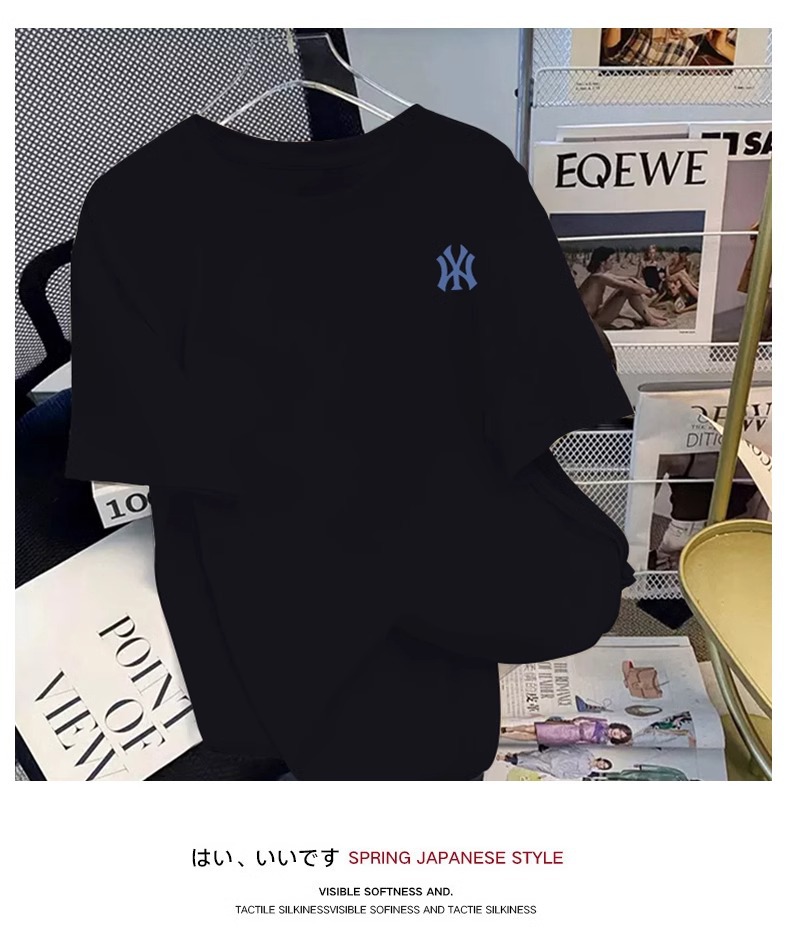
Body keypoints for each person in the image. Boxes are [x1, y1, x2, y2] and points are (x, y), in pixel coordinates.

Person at [577, 247, 668, 328]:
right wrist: (648, 291)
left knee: (628, 285)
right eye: (611, 260)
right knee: (627, 290)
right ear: (603, 263)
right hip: (593, 321)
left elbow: (629, 279)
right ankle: (650, 319)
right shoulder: (599, 277)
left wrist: (646, 288)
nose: (613, 262)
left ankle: (649, 315)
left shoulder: (600, 275)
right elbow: (629, 287)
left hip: (597, 313)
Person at [600, 29, 735, 68]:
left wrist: (722, 46)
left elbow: (746, 60)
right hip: (622, 78)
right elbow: (611, 51)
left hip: (671, 90)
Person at [500, 717, 633, 746]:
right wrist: (577, 721)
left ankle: (504, 735)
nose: (617, 734)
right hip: (568, 727)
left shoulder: (602, 741)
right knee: (533, 728)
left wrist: (567, 742)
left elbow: (582, 743)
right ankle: (510, 729)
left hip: (568, 738)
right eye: (620, 731)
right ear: (618, 727)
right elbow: (586, 718)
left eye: (620, 736)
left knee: (532, 737)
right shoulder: (603, 722)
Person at [497, 748, 613, 780]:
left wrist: (556, 773)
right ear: (602, 760)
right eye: (603, 763)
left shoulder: (586, 771)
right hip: (554, 755)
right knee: (532, 755)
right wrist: (555, 749)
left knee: (531, 763)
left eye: (603, 767)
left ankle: (506, 759)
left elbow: (569, 776)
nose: (601, 765)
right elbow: (571, 748)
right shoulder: (588, 754)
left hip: (554, 767)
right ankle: (512, 756)